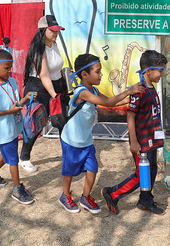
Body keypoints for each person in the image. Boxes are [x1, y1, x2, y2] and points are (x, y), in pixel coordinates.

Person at [59, 53, 145, 214]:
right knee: (69, 171)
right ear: (84, 74)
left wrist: (132, 97)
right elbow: (107, 102)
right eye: (97, 72)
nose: (101, 74)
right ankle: (65, 195)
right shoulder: (81, 92)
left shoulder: (94, 90)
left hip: (86, 141)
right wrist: (128, 91)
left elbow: (113, 102)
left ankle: (85, 197)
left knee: (93, 169)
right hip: (71, 141)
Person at [102, 50, 167, 216]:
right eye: (159, 71)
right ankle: (112, 193)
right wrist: (134, 142)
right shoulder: (139, 90)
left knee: (152, 170)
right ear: (147, 71)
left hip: (152, 140)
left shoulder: (151, 88)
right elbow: (130, 116)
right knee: (141, 175)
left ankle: (145, 201)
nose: (161, 74)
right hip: (141, 143)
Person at [0, 49, 36, 205]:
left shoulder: (12, 82)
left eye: (10, 67)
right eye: (6, 68)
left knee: (8, 154)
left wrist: (26, 98)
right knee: (13, 160)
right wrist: (9, 111)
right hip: (3, 131)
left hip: (14, 127)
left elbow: (16, 102)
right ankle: (17, 189)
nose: (9, 71)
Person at [20, 15, 66, 172]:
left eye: (57, 30)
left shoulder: (54, 44)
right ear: (43, 30)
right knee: (37, 122)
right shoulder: (38, 49)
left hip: (56, 85)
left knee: (62, 121)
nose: (56, 33)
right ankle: (24, 157)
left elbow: (57, 68)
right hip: (39, 88)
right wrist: (55, 96)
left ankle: (69, 156)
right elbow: (44, 75)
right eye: (52, 30)